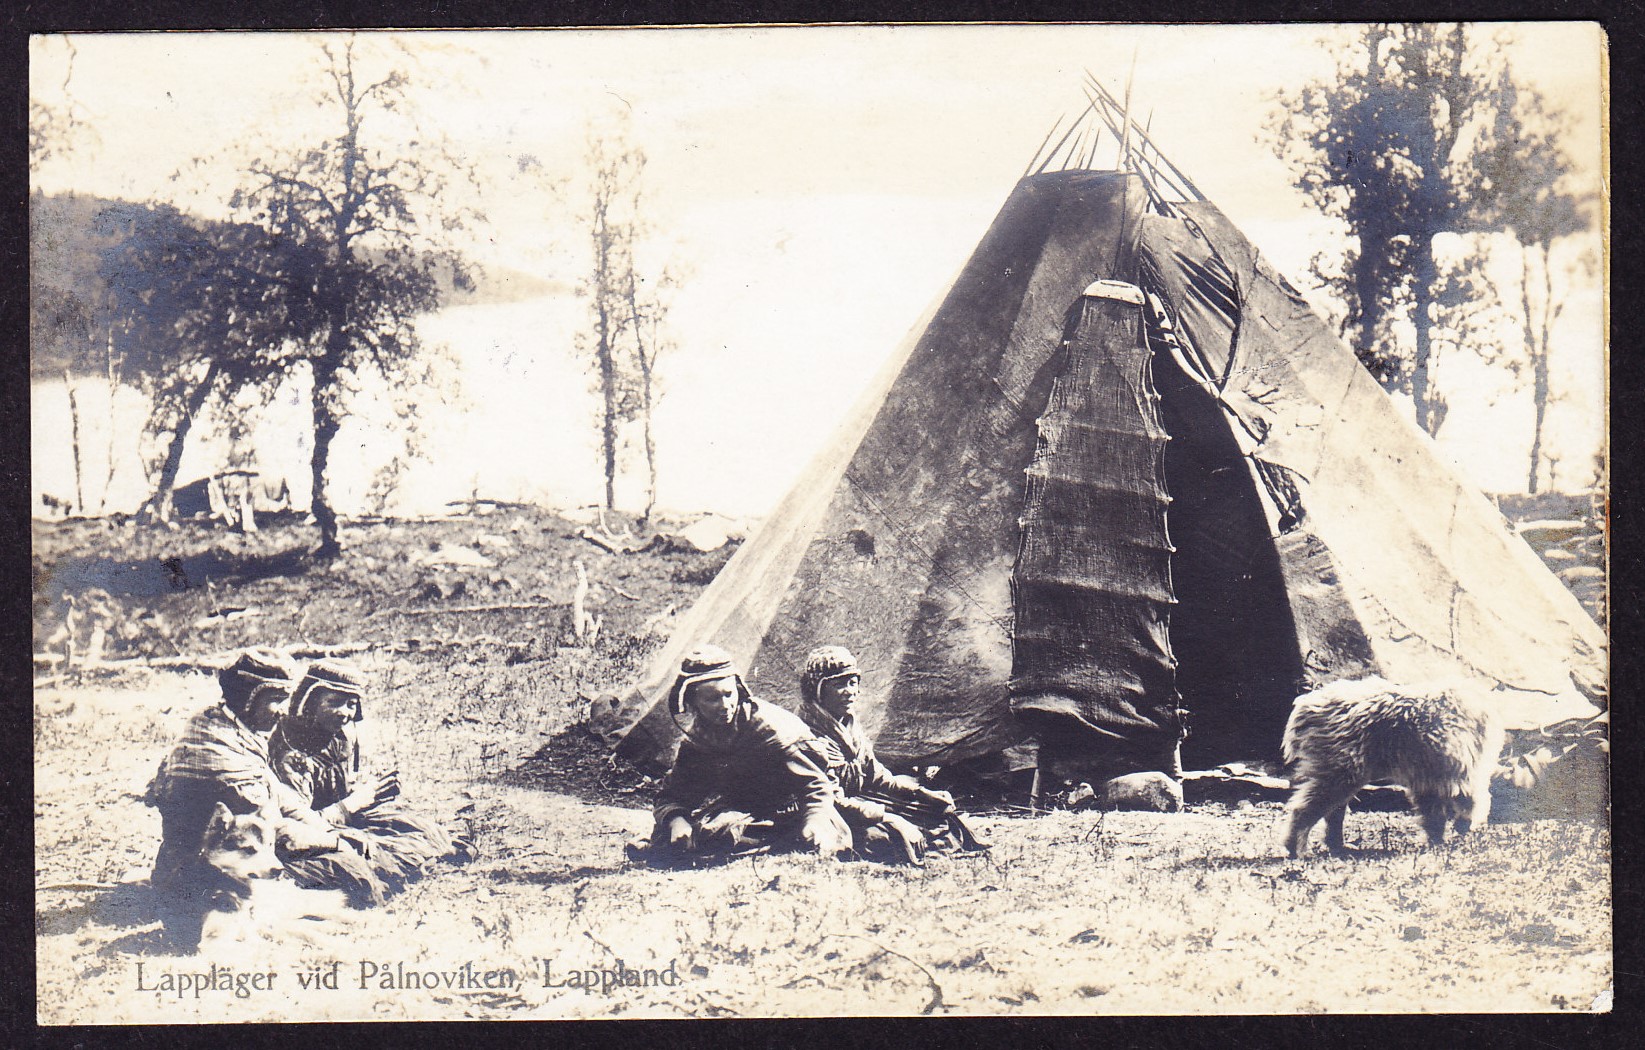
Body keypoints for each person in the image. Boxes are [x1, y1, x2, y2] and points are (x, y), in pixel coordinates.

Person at [145, 649, 384, 947]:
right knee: (355, 871)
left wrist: (326, 828)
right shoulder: (219, 755)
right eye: (276, 699)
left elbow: (281, 796)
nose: (283, 710)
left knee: (359, 847)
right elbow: (277, 833)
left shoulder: (223, 725)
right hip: (206, 879)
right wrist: (336, 841)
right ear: (249, 698)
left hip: (228, 860)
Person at [270, 659, 470, 893]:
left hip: (342, 817)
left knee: (423, 830)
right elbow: (298, 825)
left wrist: (369, 793)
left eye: (351, 705)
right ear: (311, 702)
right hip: (313, 832)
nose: (344, 713)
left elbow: (340, 787)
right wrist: (353, 804)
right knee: (369, 853)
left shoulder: (338, 737)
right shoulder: (291, 752)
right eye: (334, 702)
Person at [637, 645, 851, 863]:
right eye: (712, 699)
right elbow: (674, 794)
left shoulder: (769, 728)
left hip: (797, 805)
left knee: (818, 836)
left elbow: (815, 785)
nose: (725, 705)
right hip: (746, 810)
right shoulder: (699, 738)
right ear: (693, 702)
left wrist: (815, 819)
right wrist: (677, 820)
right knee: (688, 833)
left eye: (729, 694)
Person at [797, 645, 989, 865]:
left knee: (936, 811)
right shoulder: (807, 734)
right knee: (885, 838)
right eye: (839, 684)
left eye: (853, 683)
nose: (850, 691)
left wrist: (919, 792)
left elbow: (876, 776)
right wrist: (887, 817)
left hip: (858, 801)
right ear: (818, 690)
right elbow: (830, 800)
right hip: (826, 811)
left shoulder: (848, 724)